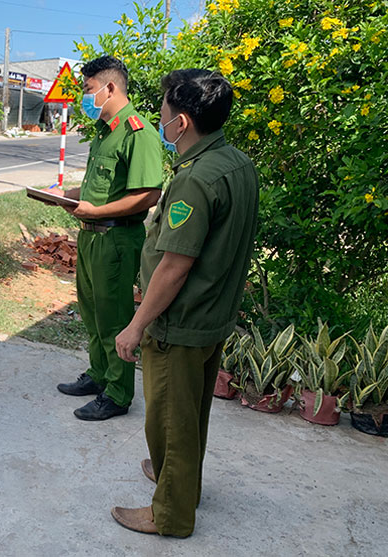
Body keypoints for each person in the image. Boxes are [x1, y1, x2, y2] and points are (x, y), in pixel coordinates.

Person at [111, 69, 259, 537]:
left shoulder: (196, 180)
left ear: (183, 122)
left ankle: (170, 514)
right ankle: (179, 481)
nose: (160, 118)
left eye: (164, 112)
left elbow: (174, 265)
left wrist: (136, 325)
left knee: (169, 420)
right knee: (191, 413)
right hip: (212, 317)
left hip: (180, 322)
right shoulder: (237, 163)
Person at [53, 56, 163, 420]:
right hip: (90, 237)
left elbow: (148, 194)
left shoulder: (138, 132)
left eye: (88, 90)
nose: (86, 98)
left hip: (116, 239)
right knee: (92, 313)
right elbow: (105, 187)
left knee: (114, 318)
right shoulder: (106, 132)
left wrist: (96, 212)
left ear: (110, 87)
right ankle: (99, 375)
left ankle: (117, 394)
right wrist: (69, 194)